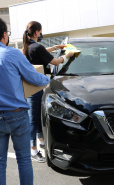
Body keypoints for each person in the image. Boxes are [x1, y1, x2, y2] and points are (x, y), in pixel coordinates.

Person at [0, 18, 50, 185]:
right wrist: (46, 79)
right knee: (24, 160)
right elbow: (33, 77)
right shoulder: (12, 54)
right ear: (4, 35)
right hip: (17, 115)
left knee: (0, 164)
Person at [22, 21, 75, 162]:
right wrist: (67, 55)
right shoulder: (36, 47)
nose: (41, 34)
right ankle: (33, 151)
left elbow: (42, 51)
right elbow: (56, 62)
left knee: (37, 117)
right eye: (40, 31)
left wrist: (56, 47)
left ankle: (41, 142)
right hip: (36, 87)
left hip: (30, 87)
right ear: (36, 32)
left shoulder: (28, 46)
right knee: (33, 119)